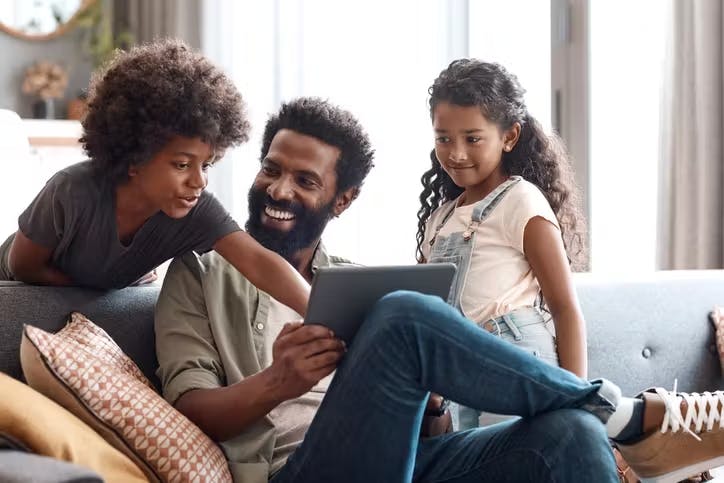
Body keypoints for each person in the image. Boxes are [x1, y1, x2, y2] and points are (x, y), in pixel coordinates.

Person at [155, 96, 724, 483]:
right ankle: (620, 414)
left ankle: (594, 415)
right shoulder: (199, 275)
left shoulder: (352, 280)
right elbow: (192, 411)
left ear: (342, 199)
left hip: (408, 462)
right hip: (299, 470)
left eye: (305, 180)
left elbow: (434, 429)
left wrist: (430, 406)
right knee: (405, 314)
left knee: (569, 434)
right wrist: (278, 382)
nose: (278, 189)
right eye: (270, 170)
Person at [0, 39, 309, 316]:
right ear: (135, 158)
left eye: (207, 166)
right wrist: (92, 289)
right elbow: (23, 266)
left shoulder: (196, 209)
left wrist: (319, 313)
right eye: (182, 165)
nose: (199, 182)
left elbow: (259, 262)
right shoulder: (71, 191)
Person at [416, 59, 586, 429]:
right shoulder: (439, 220)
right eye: (444, 138)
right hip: (458, 372)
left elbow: (565, 307)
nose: (456, 153)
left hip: (515, 354)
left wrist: (577, 403)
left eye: (473, 138)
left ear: (509, 136)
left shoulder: (520, 200)